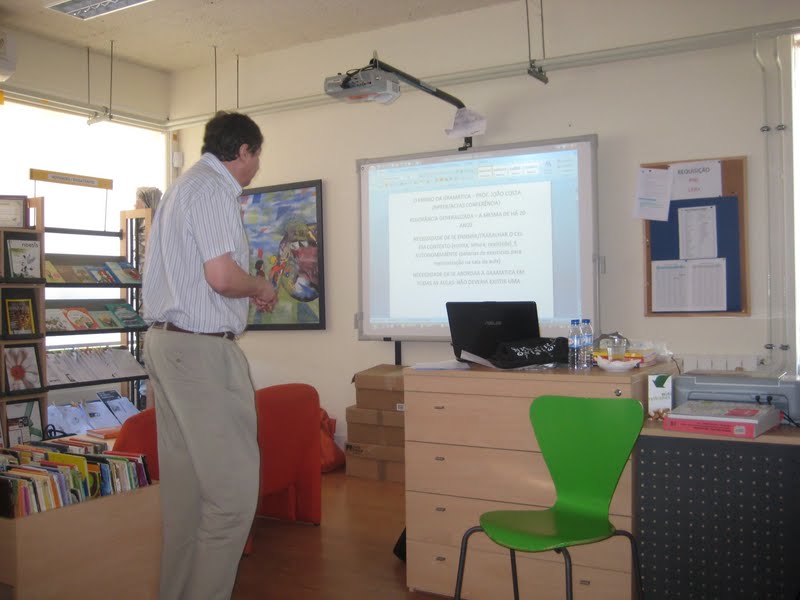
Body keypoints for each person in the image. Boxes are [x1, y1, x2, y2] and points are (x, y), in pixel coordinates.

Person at [142, 111, 277, 600]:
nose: (257, 166)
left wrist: (246, 288)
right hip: (200, 352)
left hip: (166, 344)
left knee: (187, 502)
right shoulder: (217, 188)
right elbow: (221, 277)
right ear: (243, 151)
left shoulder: (182, 188)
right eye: (257, 156)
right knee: (233, 499)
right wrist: (260, 286)